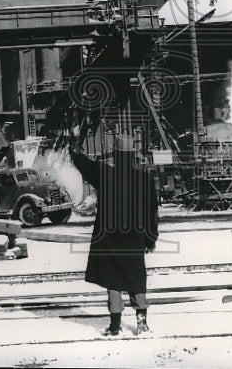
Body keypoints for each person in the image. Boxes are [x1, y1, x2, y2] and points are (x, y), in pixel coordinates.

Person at [70, 133, 159, 337]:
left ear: (117, 155)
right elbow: (152, 211)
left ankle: (115, 325)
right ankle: (142, 321)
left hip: (110, 239)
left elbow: (87, 166)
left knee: (113, 280)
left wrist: (75, 153)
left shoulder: (106, 175)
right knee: (136, 278)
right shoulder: (144, 178)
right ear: (133, 154)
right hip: (134, 238)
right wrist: (151, 238)